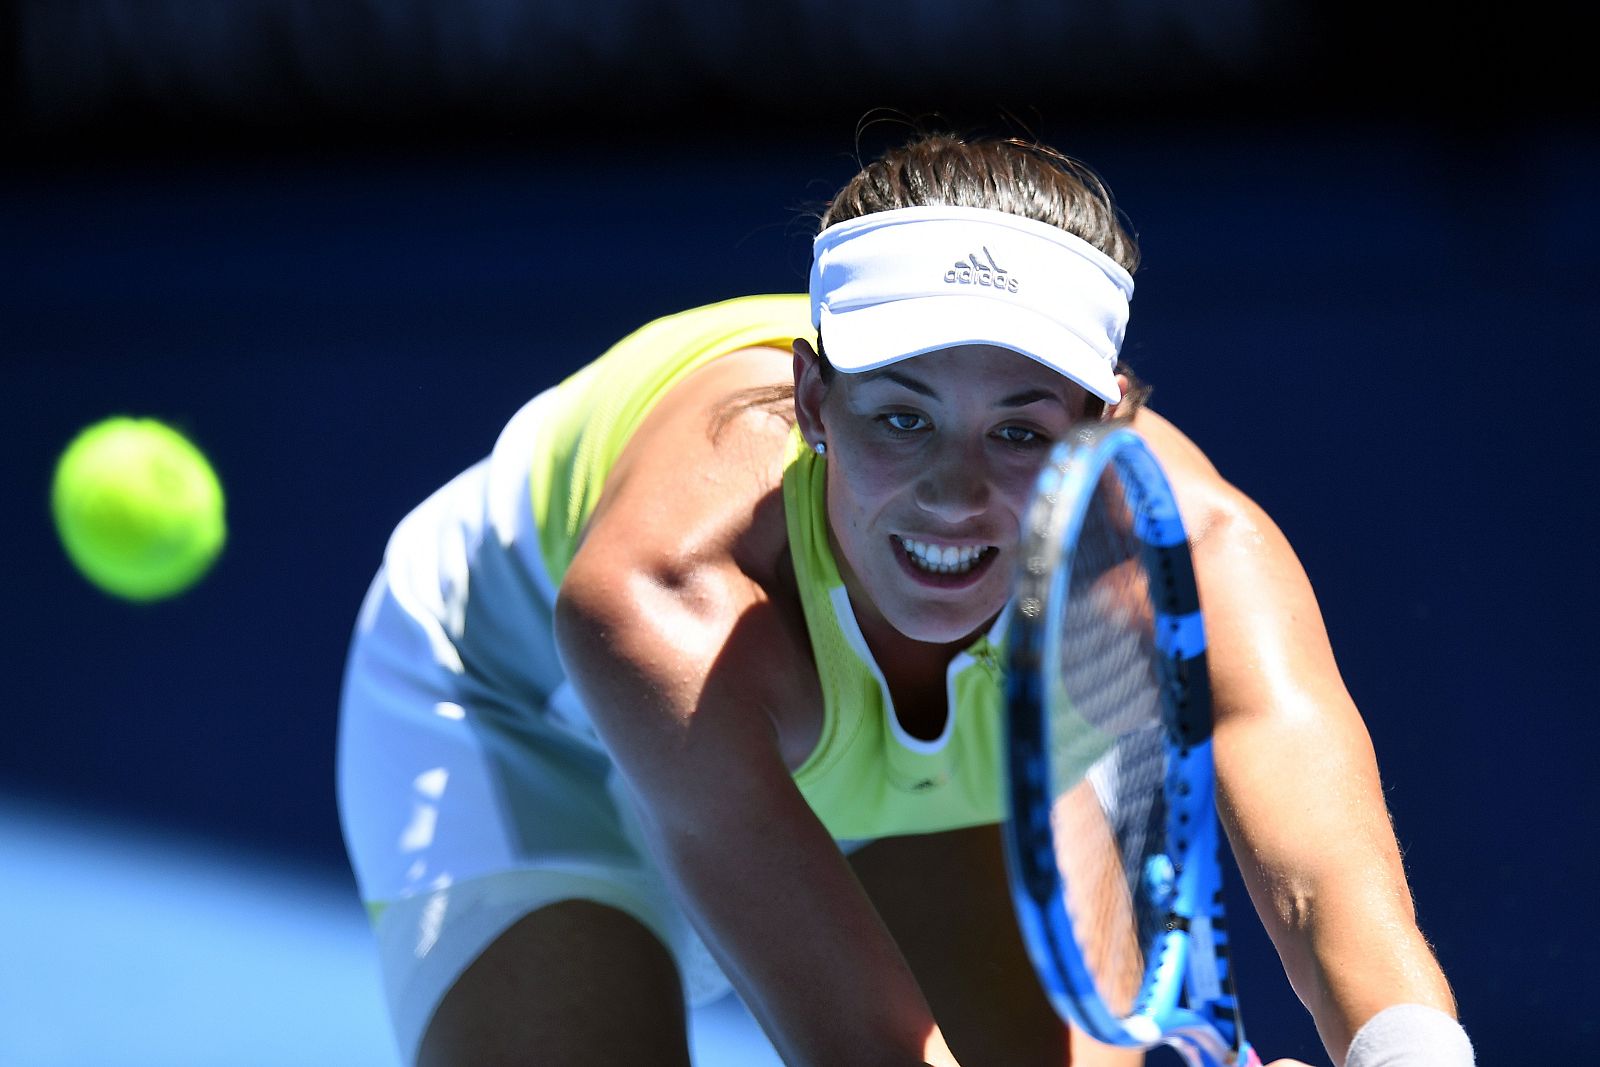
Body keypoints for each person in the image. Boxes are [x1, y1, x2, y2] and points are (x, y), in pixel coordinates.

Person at [336, 132, 1471, 1066]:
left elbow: (1336, 902)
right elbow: (864, 1049)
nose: (953, 495)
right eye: (902, 416)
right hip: (519, 719)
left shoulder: (1188, 567)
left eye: (1020, 428)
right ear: (813, 398)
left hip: (912, 769)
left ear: (1107, 424)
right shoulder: (667, 592)